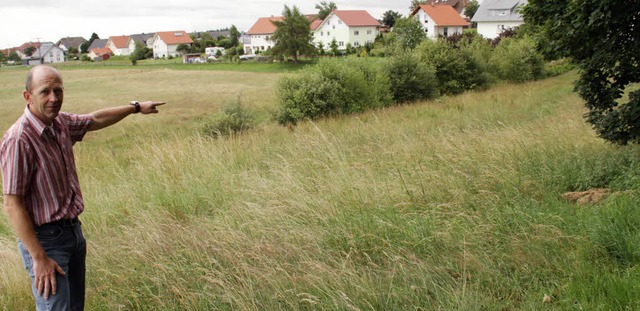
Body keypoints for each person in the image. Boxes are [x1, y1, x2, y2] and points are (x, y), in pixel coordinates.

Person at [0, 65, 165, 310]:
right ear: (28, 96)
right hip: (46, 242)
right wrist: (38, 257)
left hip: (73, 234)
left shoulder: (60, 123)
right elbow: (12, 204)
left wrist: (136, 108)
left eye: (58, 90)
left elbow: (95, 119)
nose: (54, 98)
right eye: (45, 91)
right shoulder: (19, 139)